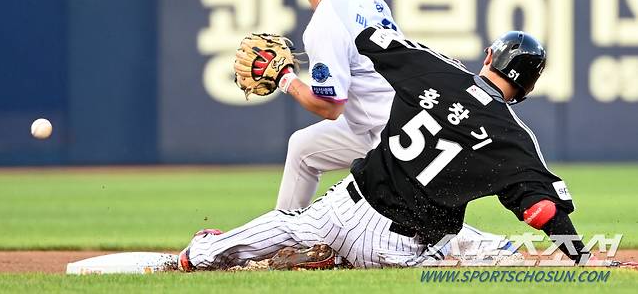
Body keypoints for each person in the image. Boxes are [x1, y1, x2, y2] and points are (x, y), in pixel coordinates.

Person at [178, 29, 572, 271]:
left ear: (489, 57)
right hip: (398, 248)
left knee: (289, 224)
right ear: (528, 89)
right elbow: (543, 211)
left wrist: (290, 77)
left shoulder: (436, 69)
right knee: (461, 245)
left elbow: (369, 39)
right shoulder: (514, 139)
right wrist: (577, 253)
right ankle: (338, 261)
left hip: (342, 208)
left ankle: (200, 254)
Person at [271, 0, 400, 210]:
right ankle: (284, 234)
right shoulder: (368, 0)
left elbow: (330, 107)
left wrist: (286, 79)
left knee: (420, 234)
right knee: (303, 147)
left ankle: (493, 246)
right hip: (395, 121)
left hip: (394, 139)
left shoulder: (326, 23)